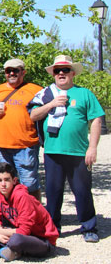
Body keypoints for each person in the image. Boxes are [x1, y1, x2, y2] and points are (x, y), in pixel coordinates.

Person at [29, 55, 104, 243]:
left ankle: (89, 226)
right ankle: (53, 227)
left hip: (79, 152)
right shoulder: (46, 94)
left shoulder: (84, 94)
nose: (61, 73)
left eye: (64, 70)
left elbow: (96, 120)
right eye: (57, 70)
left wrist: (92, 148)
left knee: (82, 191)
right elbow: (33, 115)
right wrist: (51, 104)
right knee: (53, 192)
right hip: (53, 151)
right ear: (53, 74)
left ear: (72, 73)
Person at [0, 58, 43, 199]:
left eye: (15, 70)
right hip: (3, 146)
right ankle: (11, 214)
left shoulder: (35, 90)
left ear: (23, 72)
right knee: (6, 184)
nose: (11, 73)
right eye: (8, 71)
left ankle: (34, 214)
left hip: (26, 145)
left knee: (29, 183)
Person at [0, 163, 58, 261]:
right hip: (17, 230)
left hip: (42, 239)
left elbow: (24, 231)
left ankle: (8, 248)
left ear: (14, 180)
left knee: (16, 240)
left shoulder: (22, 196)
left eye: (7, 180)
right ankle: (9, 247)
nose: (3, 184)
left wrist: (0, 231)